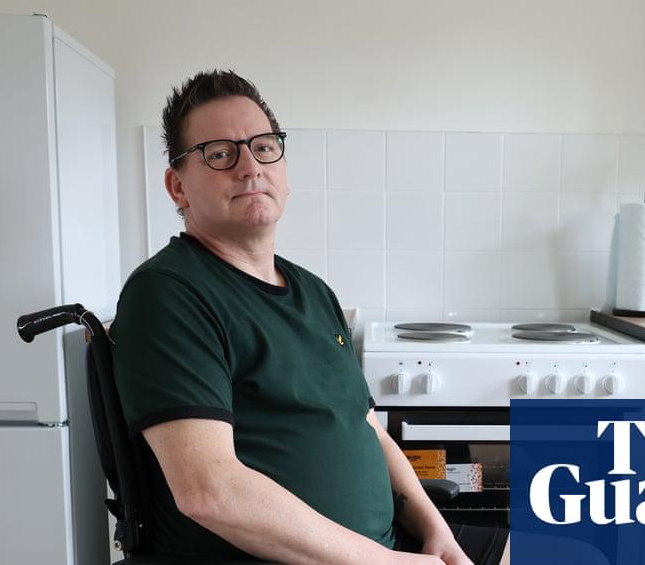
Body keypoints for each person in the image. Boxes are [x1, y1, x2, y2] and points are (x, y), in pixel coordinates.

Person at [110, 70, 509, 564]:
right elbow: (209, 490)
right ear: (178, 187)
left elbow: (367, 427)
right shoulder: (169, 293)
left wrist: (436, 532)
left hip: (385, 549)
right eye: (220, 154)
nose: (250, 167)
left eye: (263, 147)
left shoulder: (314, 292)